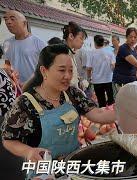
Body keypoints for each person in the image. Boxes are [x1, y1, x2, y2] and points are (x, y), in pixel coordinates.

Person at [1, 44, 116, 178]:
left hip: (73, 167)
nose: (68, 76)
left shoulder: (72, 93)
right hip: (43, 173)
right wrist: (28, 152)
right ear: (44, 71)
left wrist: (125, 113)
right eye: (62, 70)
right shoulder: (25, 103)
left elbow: (98, 114)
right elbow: (8, 140)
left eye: (70, 70)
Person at [3, 10, 46, 85]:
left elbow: (47, 68)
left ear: (24, 23)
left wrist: (27, 84)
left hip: (36, 87)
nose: (8, 22)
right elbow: (7, 65)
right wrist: (10, 77)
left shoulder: (39, 43)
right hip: (16, 88)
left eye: (12, 19)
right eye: (6, 19)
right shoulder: (7, 43)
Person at [87, 35, 115, 107]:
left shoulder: (91, 53)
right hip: (108, 79)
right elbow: (113, 67)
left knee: (101, 100)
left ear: (94, 42)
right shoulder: (110, 53)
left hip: (97, 81)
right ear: (103, 42)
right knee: (111, 100)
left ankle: (103, 116)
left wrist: (89, 78)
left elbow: (89, 68)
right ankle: (111, 115)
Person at [62, 21, 87, 88]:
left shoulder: (70, 52)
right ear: (71, 36)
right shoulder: (62, 54)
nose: (82, 42)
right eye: (81, 38)